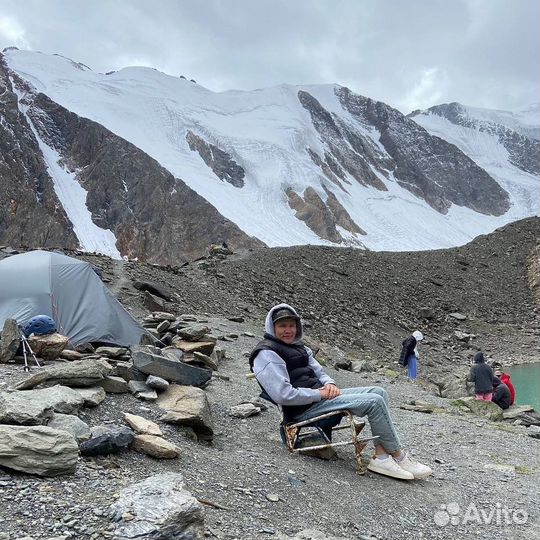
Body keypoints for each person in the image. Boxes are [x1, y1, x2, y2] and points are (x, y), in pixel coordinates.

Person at [249, 303, 433, 481]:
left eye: (292, 325)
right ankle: (398, 456)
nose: (288, 330)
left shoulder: (299, 347)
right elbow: (283, 395)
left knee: (379, 391)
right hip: (301, 410)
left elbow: (319, 371)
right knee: (374, 401)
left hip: (320, 398)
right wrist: (320, 394)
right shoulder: (267, 353)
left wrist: (330, 384)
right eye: (282, 326)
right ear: (272, 327)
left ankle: (382, 454)